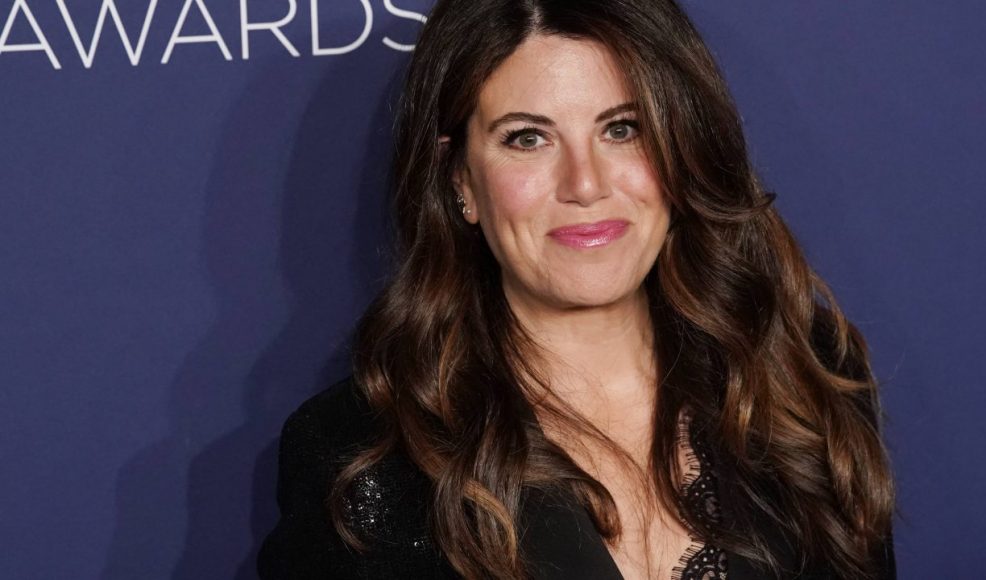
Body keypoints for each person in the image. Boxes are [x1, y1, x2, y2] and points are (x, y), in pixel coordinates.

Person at [258, 0, 897, 578]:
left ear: (682, 147)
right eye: (528, 138)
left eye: (622, 129)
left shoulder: (801, 375)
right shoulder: (360, 456)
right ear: (461, 181)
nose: (585, 184)